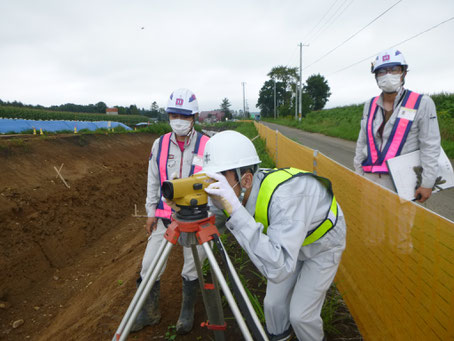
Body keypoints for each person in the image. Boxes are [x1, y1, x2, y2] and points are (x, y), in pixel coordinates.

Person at [202, 130, 347, 341]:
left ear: (246, 179)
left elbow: (279, 268)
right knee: (273, 305)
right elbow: (211, 221)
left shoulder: (285, 199)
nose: (215, 187)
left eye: (220, 179)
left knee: (301, 315)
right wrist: (185, 209)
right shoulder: (233, 193)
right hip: (288, 241)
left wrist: (235, 212)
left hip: (322, 245)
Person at [131, 88, 210, 334]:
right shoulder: (160, 143)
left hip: (197, 219)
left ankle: (186, 311)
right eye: (174, 114)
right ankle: (148, 312)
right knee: (149, 265)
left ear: (194, 117)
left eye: (184, 116)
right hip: (166, 217)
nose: (179, 120)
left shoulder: (208, 144)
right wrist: (150, 211)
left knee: (192, 266)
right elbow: (153, 180)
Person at [353, 48, 441, 203]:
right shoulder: (370, 105)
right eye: (382, 71)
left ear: (404, 73)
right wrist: (358, 172)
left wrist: (427, 183)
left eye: (394, 70)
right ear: (376, 76)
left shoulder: (422, 103)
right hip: (370, 179)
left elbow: (430, 145)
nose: (388, 75)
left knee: (401, 227)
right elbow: (362, 141)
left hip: (405, 183)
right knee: (371, 225)